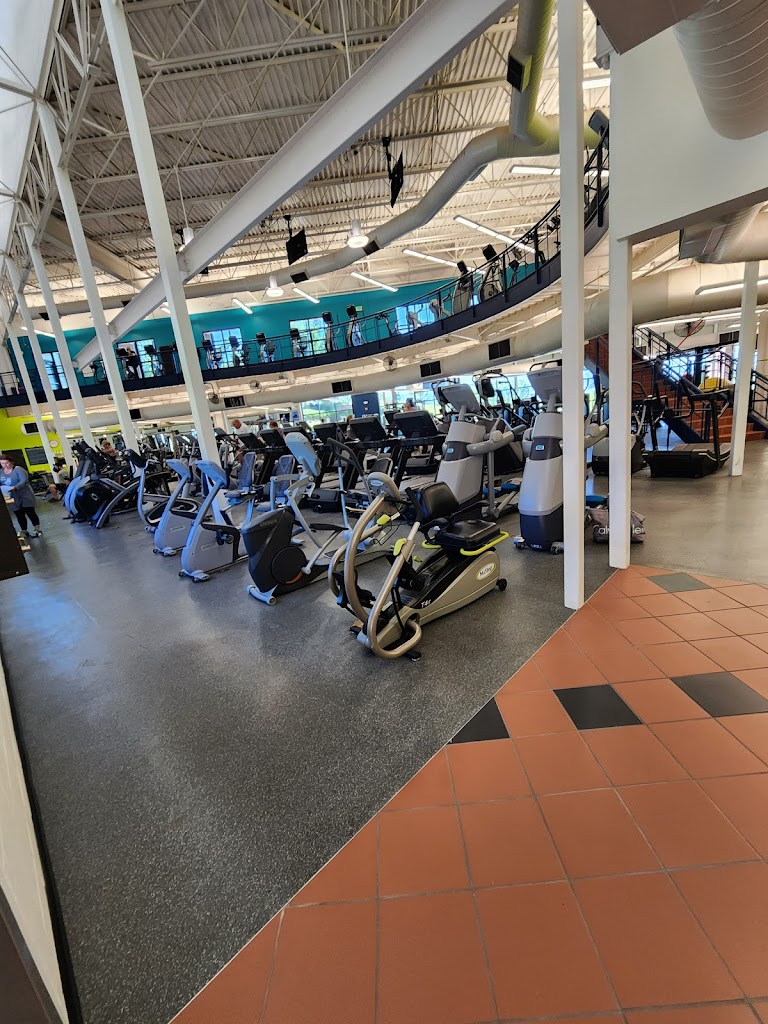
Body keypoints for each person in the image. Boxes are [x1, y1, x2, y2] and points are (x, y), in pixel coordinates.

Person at [0, 454, 43, 538]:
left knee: (30, 512)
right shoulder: (1, 472)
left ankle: (37, 529)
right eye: (2, 463)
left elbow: (23, 481)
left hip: (24, 494)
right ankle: (24, 531)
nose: (5, 465)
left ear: (11, 462)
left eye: (7, 463)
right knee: (19, 514)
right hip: (12, 496)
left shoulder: (18, 469)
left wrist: (15, 487)